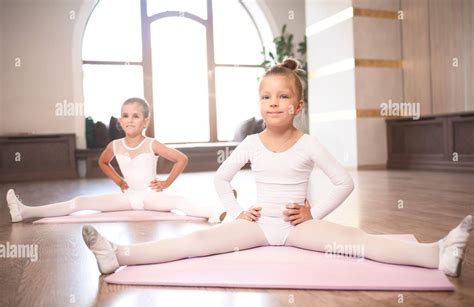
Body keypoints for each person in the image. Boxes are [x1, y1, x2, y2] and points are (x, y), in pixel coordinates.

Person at [81, 60, 472, 277]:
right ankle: (118, 254)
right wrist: (235, 211)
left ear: (297, 106)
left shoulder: (309, 142)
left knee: (359, 241)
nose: (273, 103)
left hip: (296, 227)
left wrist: (312, 213)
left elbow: (343, 182)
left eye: (283, 97)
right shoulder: (251, 143)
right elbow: (221, 178)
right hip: (255, 223)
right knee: (193, 245)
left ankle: (439, 253)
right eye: (266, 96)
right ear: (260, 103)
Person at [6, 98, 226, 224]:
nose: (130, 120)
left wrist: (166, 183)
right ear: (120, 120)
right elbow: (103, 162)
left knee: (179, 203)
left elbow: (181, 159)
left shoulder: (151, 144)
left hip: (151, 197)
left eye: (136, 116)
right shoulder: (114, 146)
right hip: (129, 197)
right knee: (81, 202)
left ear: (145, 121)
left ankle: (215, 211)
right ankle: (25, 211)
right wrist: (119, 182)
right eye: (125, 115)